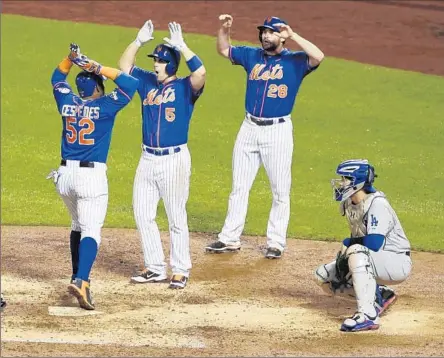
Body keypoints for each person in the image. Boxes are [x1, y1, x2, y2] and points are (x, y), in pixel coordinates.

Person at [205, 15, 324, 259]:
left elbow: (318, 56)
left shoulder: (296, 61)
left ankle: (276, 242)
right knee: (239, 186)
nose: (265, 36)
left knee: (280, 190)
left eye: (270, 32)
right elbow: (224, 49)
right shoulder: (252, 56)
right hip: (249, 127)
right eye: (263, 32)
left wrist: (293, 35)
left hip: (277, 130)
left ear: (281, 36)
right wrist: (224, 29)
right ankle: (229, 238)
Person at [48, 44, 139, 309]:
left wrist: (70, 59)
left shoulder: (66, 100)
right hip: (90, 178)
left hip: (64, 176)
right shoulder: (105, 106)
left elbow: (57, 79)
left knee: (77, 225)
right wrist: (96, 66)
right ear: (97, 88)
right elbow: (129, 84)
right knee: (91, 230)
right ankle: (83, 280)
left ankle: (77, 275)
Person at [118, 21, 206, 289]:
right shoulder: (145, 82)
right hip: (147, 159)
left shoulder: (184, 88)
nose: (155, 64)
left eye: (159, 60)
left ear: (170, 64)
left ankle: (180, 269)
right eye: (154, 60)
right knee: (142, 213)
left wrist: (183, 47)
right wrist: (138, 41)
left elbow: (201, 73)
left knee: (175, 215)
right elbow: (123, 67)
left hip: (174, 159)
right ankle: (155, 267)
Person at [314, 159, 412, 332]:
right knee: (323, 277)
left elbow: (374, 243)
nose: (341, 183)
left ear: (357, 182)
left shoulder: (377, 204)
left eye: (345, 179)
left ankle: (368, 315)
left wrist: (348, 245)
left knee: (356, 250)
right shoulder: (348, 203)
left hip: (396, 262)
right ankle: (378, 294)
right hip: (372, 260)